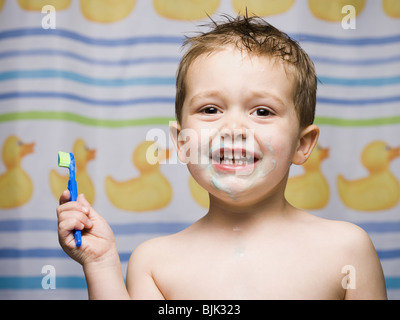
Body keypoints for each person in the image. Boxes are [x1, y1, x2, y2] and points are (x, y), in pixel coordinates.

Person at [57, 15, 387, 299]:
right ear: (182, 143)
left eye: (262, 111)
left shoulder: (347, 250)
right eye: (210, 109)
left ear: (303, 144)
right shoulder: (155, 263)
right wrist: (101, 263)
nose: (233, 128)